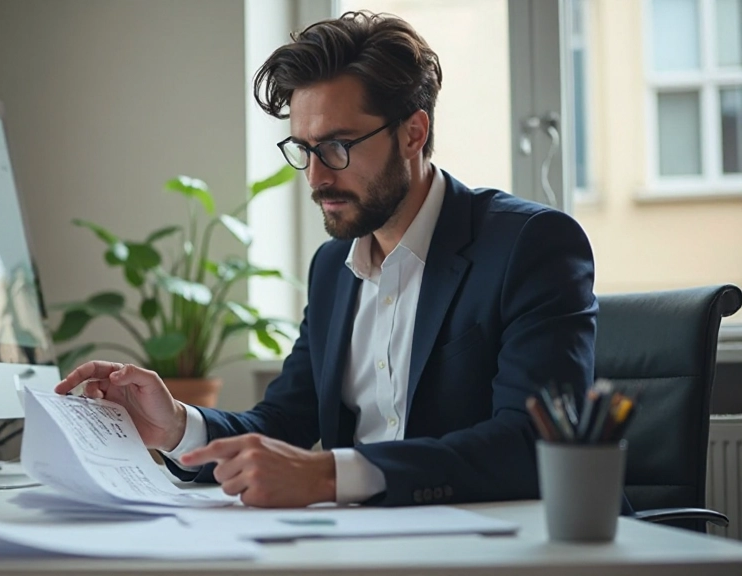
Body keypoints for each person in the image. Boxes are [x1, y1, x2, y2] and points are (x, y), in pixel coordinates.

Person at [55, 11, 597, 508]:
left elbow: (535, 441)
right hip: (360, 545)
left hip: (507, 546)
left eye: (338, 146)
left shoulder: (531, 244)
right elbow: (282, 421)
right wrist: (175, 425)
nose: (316, 177)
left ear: (414, 133)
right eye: (305, 149)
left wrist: (330, 476)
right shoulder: (333, 268)